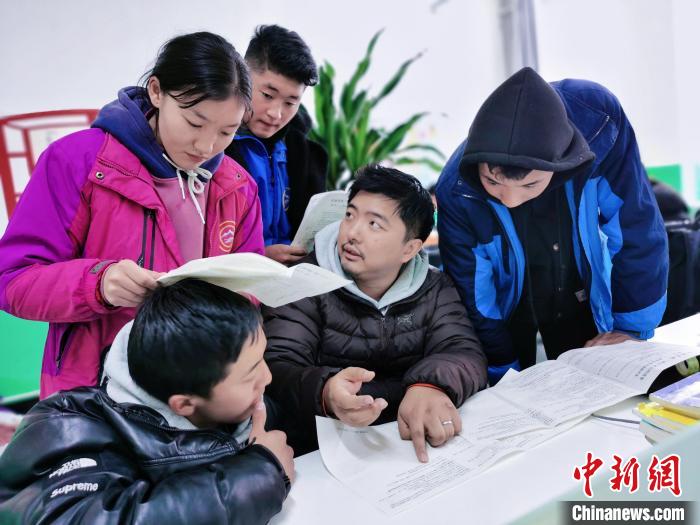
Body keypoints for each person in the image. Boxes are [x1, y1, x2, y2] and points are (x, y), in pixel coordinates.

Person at [0, 32, 264, 398]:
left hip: (197, 396)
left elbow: (250, 290)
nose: (206, 146)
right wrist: (99, 284)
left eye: (226, 132)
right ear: (156, 91)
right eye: (194, 123)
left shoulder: (238, 187)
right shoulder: (76, 163)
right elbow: (13, 281)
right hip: (94, 396)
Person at [436, 67, 668, 385]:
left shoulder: (599, 122)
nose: (510, 200)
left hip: (576, 286)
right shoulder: (457, 189)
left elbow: (636, 228)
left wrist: (630, 330)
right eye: (492, 182)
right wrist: (502, 369)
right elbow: (474, 292)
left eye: (529, 185)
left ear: (561, 166)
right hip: (510, 310)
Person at [0, 279, 293, 523]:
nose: (267, 377)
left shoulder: (235, 405)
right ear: (184, 404)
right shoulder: (71, 426)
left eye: (262, 359)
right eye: (251, 373)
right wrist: (262, 473)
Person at [264, 165, 487, 462]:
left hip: (403, 442)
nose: (352, 233)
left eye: (374, 224)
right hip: (318, 449)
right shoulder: (302, 280)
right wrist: (326, 391)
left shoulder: (434, 287)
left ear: (410, 249)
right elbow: (277, 364)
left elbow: (464, 351)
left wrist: (430, 385)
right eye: (350, 215)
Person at [225, 24, 327, 265]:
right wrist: (260, 256)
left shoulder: (304, 153)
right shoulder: (214, 148)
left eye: (290, 103)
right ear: (242, 77)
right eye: (268, 96)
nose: (276, 114)